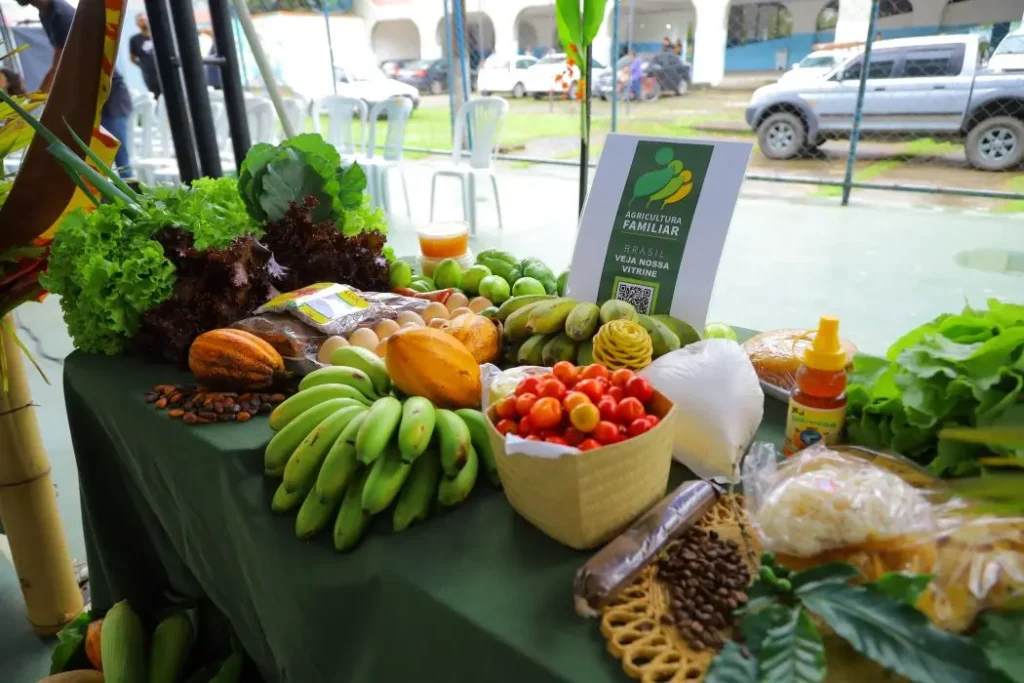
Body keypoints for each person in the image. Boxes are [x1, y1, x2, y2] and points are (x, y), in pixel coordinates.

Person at [16, 0, 134, 177]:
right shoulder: (46, 12)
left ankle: (128, 196)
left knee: (118, 156)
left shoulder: (61, 14)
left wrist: (35, 100)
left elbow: (59, 66)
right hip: (87, 93)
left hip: (108, 92)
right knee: (93, 156)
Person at [129, 12, 160, 98]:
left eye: (145, 20)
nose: (144, 22)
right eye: (141, 20)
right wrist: (142, 65)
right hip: (150, 77)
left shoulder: (158, 35)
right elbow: (132, 58)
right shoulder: (134, 40)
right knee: (156, 97)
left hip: (163, 72)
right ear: (137, 23)